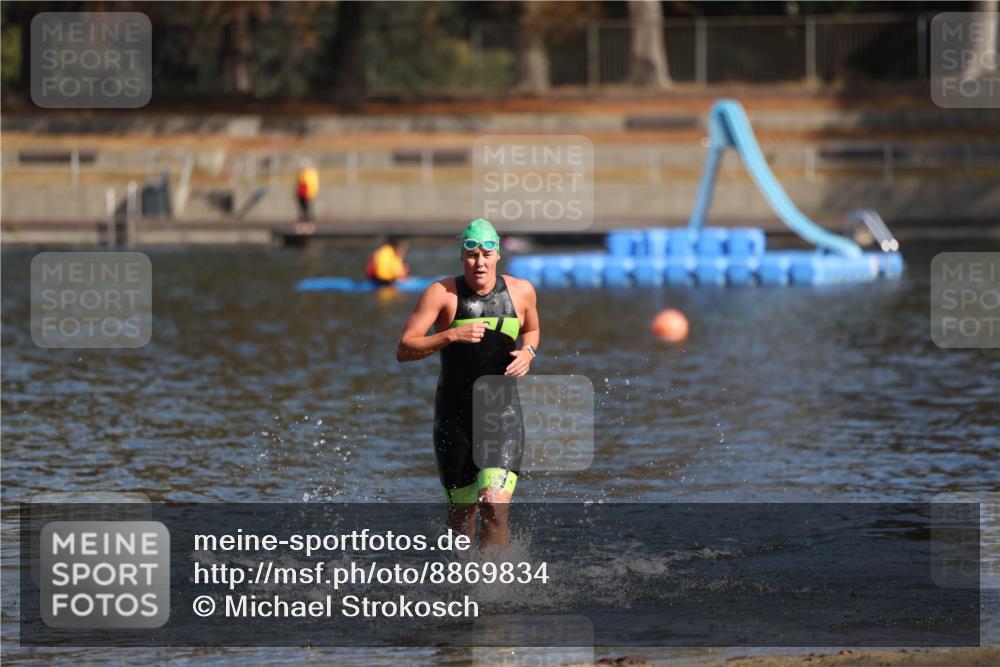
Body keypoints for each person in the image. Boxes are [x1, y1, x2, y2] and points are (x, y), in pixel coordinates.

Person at [396, 219, 540, 551]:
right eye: (472, 254)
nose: (480, 262)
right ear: (462, 256)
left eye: (487, 254)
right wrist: (450, 335)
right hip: (454, 418)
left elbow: (532, 329)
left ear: (498, 255)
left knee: (493, 503)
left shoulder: (521, 291)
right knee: (461, 520)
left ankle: (494, 589)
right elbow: (404, 348)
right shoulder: (441, 294)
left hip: (501, 416)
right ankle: (462, 588)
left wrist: (528, 352)